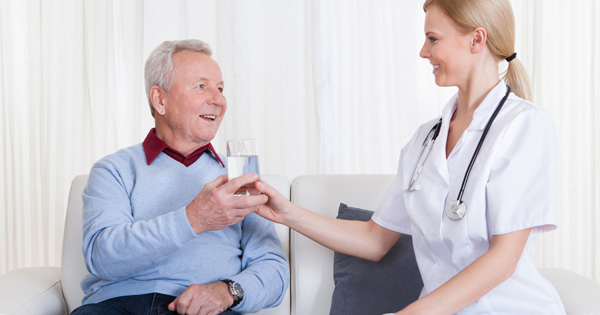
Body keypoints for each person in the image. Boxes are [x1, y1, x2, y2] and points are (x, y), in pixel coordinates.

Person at [255, 0, 565, 314]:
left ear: (477, 39)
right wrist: (285, 213)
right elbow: (375, 239)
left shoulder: (525, 125)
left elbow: (503, 260)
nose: (423, 52)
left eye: (433, 39)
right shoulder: (425, 140)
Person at [73, 39, 289, 315]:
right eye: (201, 86)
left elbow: (275, 271)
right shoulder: (113, 170)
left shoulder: (237, 177)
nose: (219, 100)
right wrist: (194, 218)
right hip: (117, 307)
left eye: (220, 88)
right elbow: (102, 257)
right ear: (160, 99)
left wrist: (227, 290)